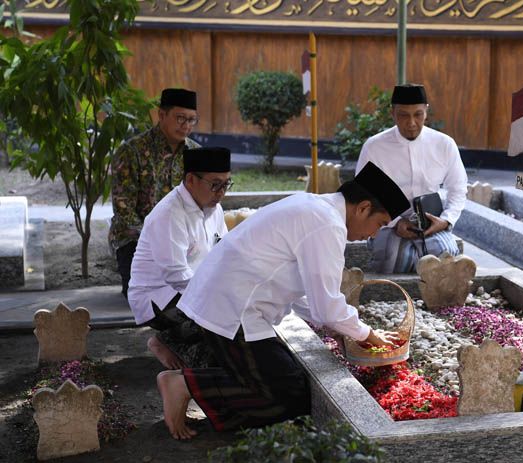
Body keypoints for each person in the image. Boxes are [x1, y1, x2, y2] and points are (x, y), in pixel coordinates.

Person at [155, 162, 410, 440]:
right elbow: (327, 306)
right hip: (235, 309)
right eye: (379, 224)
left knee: (284, 381)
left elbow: (308, 295)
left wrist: (341, 327)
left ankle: (196, 380)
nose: (373, 235)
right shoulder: (327, 224)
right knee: (291, 396)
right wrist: (366, 333)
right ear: (362, 208)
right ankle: (186, 385)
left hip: (225, 300)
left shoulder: (316, 206)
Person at [128, 147, 232, 370]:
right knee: (217, 324)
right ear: (191, 180)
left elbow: (223, 254)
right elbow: (175, 274)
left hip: (193, 289)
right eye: (215, 184)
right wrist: (215, 299)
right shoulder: (169, 213)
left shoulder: (215, 208)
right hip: (159, 296)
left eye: (226, 184)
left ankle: (181, 343)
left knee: (231, 315)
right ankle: (166, 341)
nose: (221, 191)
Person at [355, 83, 467, 273]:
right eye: (403, 115)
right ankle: (410, 263)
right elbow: (362, 193)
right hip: (387, 222)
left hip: (431, 223)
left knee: (445, 257)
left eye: (418, 114)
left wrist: (446, 221)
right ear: (392, 113)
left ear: (426, 111)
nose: (411, 122)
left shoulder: (444, 144)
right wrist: (396, 222)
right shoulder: (374, 147)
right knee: (393, 263)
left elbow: (458, 188)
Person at [109, 88, 201, 297]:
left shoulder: (197, 154)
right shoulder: (131, 152)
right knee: (150, 298)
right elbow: (125, 213)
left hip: (185, 241)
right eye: (180, 118)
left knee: (196, 293)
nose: (186, 125)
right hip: (139, 243)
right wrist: (158, 243)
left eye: (191, 120)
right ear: (161, 115)